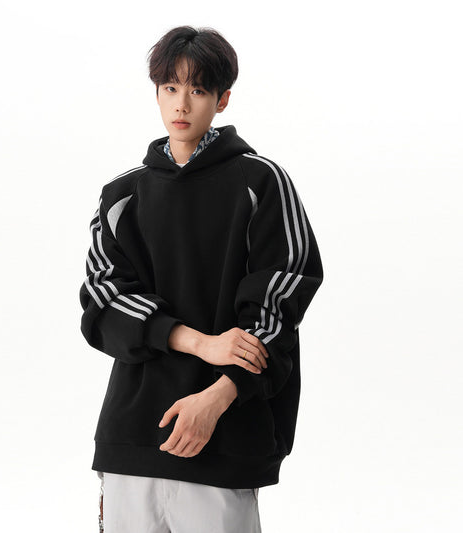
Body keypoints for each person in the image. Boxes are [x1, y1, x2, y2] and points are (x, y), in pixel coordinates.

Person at [79, 25, 324, 533]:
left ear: (222, 99)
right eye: (170, 87)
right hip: (132, 436)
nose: (181, 103)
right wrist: (201, 343)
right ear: (156, 93)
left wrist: (218, 396)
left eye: (197, 89)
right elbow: (103, 304)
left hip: (226, 439)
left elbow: (280, 304)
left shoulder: (260, 182)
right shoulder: (121, 195)